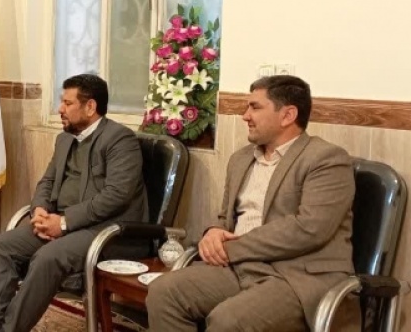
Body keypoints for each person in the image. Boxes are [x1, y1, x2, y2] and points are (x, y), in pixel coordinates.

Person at [146, 75, 356, 332]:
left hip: (294, 276)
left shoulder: (326, 159)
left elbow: (309, 229)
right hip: (240, 267)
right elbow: (225, 217)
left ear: (288, 115)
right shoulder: (241, 159)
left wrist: (232, 248)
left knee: (228, 321)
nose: (245, 116)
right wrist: (213, 232)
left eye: (255, 107)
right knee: (163, 292)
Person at [0, 74, 147, 332]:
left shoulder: (120, 139)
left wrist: (63, 222)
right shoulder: (65, 139)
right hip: (61, 223)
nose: (60, 109)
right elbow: (47, 182)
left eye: (67, 103)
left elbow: (116, 195)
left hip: (104, 231)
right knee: (0, 246)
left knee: (48, 257)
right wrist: (39, 210)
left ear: (90, 107)